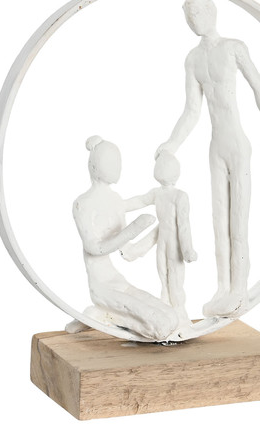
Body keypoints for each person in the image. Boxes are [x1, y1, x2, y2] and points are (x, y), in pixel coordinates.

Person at [156, 0, 260, 317]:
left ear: (212, 12)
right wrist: (171, 144)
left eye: (198, 13)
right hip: (215, 147)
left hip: (237, 145)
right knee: (218, 218)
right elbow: (192, 110)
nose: (194, 21)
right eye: (189, 16)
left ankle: (239, 288)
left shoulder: (233, 48)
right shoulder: (192, 59)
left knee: (237, 219)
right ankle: (222, 287)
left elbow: (259, 88)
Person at [66, 136, 179, 341]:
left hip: (118, 281)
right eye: (111, 161)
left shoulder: (115, 200)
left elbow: (130, 251)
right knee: (161, 326)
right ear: (94, 165)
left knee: (172, 317)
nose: (117, 167)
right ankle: (103, 315)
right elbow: (94, 248)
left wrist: (160, 226)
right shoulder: (83, 204)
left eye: (118, 162)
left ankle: (101, 315)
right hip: (101, 286)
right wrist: (134, 229)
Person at [122, 151, 197, 327]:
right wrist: (121, 206)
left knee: (173, 277)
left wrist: (187, 250)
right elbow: (140, 201)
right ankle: (168, 311)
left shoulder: (179, 196)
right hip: (163, 241)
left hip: (173, 243)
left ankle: (179, 313)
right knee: (164, 274)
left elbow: (183, 225)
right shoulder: (159, 193)